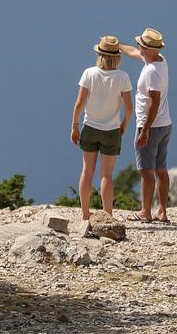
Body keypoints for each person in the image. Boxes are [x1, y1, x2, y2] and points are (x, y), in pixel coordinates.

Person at [70, 35, 132, 219]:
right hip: (112, 131)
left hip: (89, 128)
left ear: (100, 55)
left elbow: (80, 102)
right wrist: (123, 126)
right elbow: (129, 108)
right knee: (107, 175)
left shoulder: (89, 73)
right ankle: (108, 215)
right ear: (117, 56)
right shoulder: (123, 77)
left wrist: (74, 125)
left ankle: (85, 213)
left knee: (87, 172)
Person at [121, 27, 171, 223]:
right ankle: (162, 211)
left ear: (149, 49)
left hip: (151, 126)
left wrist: (145, 130)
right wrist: (118, 46)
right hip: (165, 123)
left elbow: (154, 102)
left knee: (146, 170)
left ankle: (145, 212)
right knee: (160, 168)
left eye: (141, 45)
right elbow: (134, 53)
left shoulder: (151, 72)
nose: (138, 48)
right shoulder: (160, 61)